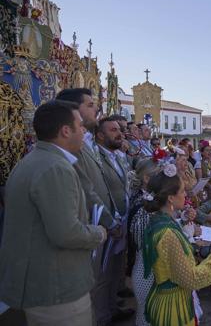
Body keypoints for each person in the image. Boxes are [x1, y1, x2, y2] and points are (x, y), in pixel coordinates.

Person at [0, 100, 106, 325]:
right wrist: (98, 232)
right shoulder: (55, 168)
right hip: (56, 289)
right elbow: (66, 233)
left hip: (41, 284)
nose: (84, 130)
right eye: (80, 125)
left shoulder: (34, 161)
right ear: (65, 131)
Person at [56, 89, 124, 324]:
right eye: (90, 104)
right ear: (73, 109)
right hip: (91, 224)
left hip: (102, 220)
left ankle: (107, 313)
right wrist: (108, 222)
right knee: (95, 283)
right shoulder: (69, 149)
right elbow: (87, 190)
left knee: (106, 278)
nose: (97, 108)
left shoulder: (85, 143)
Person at [143, 164, 211, 326]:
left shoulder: (158, 221)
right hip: (173, 309)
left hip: (166, 299)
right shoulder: (168, 233)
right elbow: (190, 279)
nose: (186, 194)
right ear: (171, 198)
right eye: (182, 191)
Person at [95, 116, 133, 323]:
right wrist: (109, 220)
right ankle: (102, 316)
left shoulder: (117, 156)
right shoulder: (96, 157)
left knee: (115, 268)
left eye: (119, 129)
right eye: (113, 130)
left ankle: (112, 306)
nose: (119, 133)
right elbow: (97, 192)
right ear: (100, 135)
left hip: (122, 220)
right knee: (103, 273)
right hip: (108, 223)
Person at [128, 159, 162, 326]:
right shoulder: (141, 205)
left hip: (150, 265)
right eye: (159, 175)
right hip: (146, 268)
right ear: (147, 178)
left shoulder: (149, 199)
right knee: (147, 313)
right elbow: (143, 242)